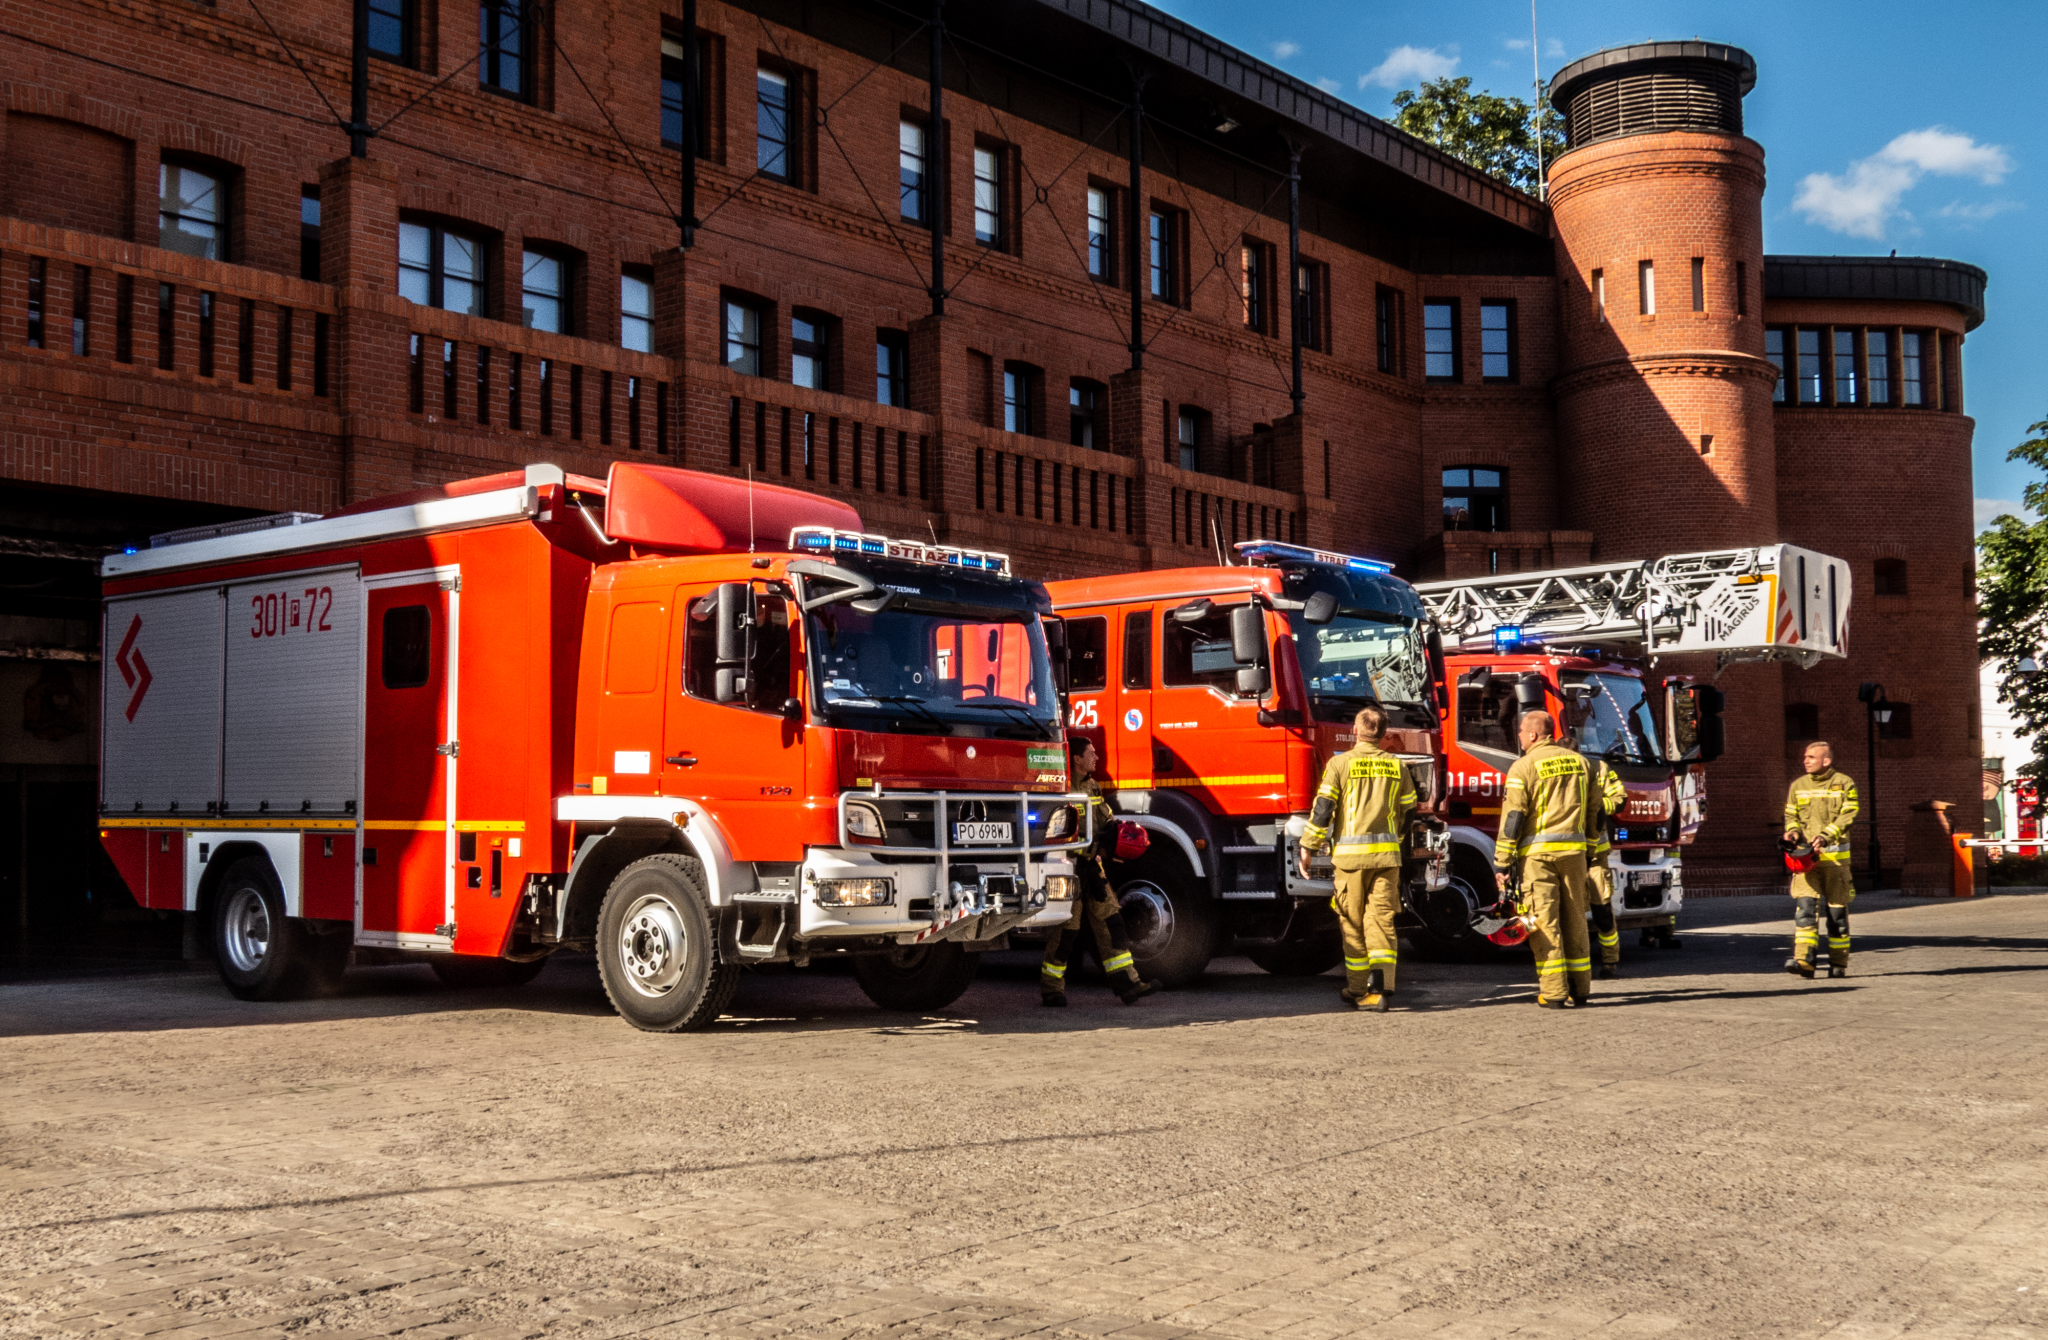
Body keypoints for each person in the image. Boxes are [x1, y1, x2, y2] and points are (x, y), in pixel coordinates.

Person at [1297, 704, 1417, 1012]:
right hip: (1387, 860)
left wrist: (1308, 847)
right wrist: (1398, 843)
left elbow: (1323, 809)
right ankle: (1379, 990)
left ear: (1355, 731)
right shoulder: (1396, 766)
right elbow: (1409, 810)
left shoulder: (1341, 765)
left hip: (1350, 862)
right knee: (1381, 922)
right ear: (1383, 734)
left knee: (1352, 925)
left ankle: (1356, 988)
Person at [1040, 736, 1159, 1007]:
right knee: (1067, 932)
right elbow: (1058, 832)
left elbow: (1105, 819)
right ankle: (1051, 988)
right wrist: (1093, 847)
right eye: (1091, 753)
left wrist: (1119, 835)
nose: (1096, 757)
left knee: (1112, 924)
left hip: (1092, 867)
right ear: (1077, 759)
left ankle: (1128, 985)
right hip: (1067, 868)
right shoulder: (1061, 787)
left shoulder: (1092, 787)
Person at [1495, 710, 1594, 1008]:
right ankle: (1580, 989)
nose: (1520, 737)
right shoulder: (1582, 764)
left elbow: (1513, 817)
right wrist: (1588, 850)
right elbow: (1595, 813)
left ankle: (1552, 993)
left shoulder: (1523, 767)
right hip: (1574, 855)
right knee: (1576, 919)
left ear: (1534, 735)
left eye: (1522, 732)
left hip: (1538, 858)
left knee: (1543, 922)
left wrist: (1502, 860)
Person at [1784, 740, 1860, 978]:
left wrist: (1827, 836)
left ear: (1826, 761)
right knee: (1805, 911)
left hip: (1836, 863)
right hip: (1807, 862)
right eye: (1805, 757)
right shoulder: (1798, 785)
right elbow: (1791, 816)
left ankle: (1838, 964)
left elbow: (1848, 815)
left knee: (1837, 915)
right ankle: (1804, 961)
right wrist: (1793, 832)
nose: (1805, 760)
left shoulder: (1845, 784)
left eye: (1811, 757)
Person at [1582, 747, 1627, 979]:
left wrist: (1600, 806)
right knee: (1569, 913)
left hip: (1595, 857)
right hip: (1567, 855)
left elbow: (1620, 798)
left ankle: (1610, 962)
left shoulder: (1599, 768)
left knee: (1602, 910)